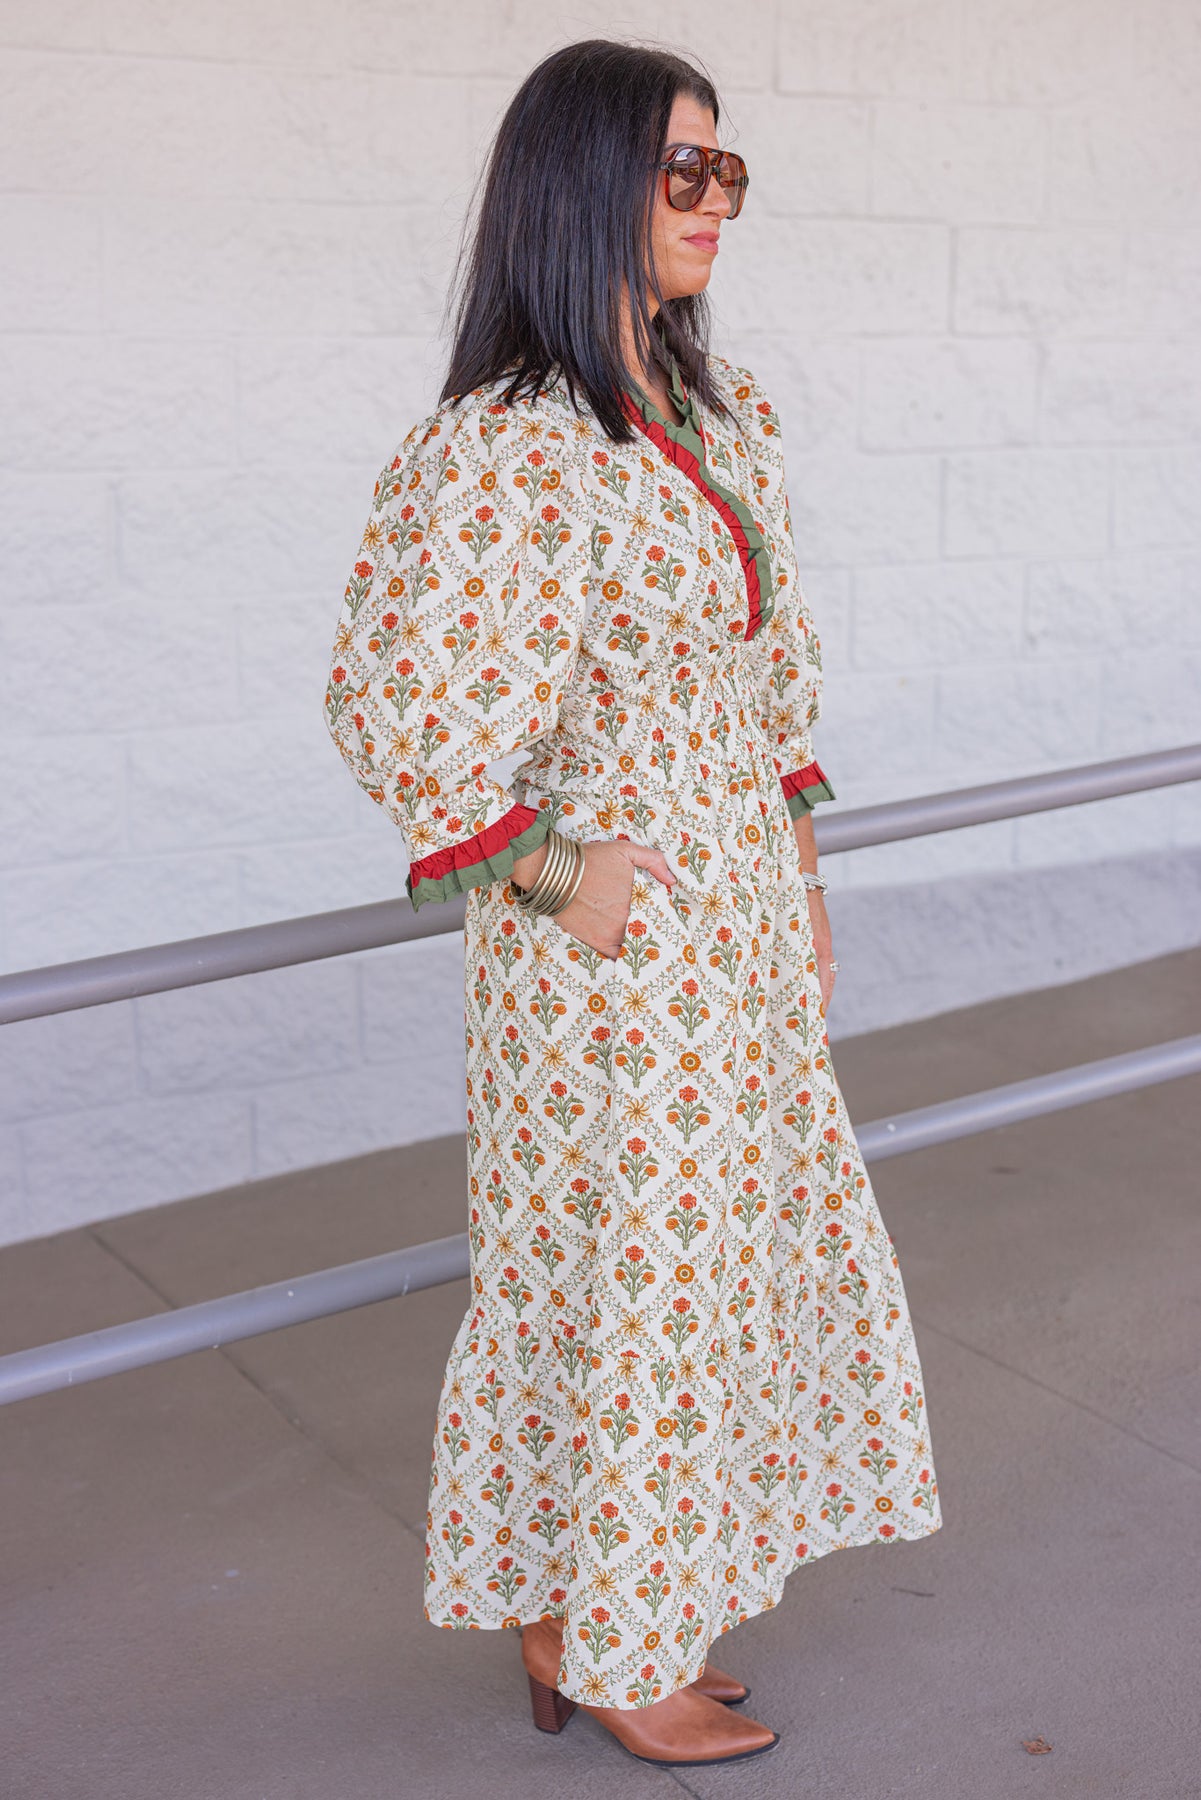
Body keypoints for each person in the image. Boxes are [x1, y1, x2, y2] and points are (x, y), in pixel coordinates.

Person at [324, 37, 942, 1770]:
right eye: (683, 168)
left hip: (734, 921)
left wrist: (798, 882)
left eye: (726, 167)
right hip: (611, 955)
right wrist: (556, 873)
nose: (715, 199)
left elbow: (768, 687)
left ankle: (589, 1608)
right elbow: (397, 702)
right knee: (626, 1281)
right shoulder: (510, 447)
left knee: (705, 1271)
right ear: (583, 181)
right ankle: (616, 1641)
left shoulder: (710, 415)